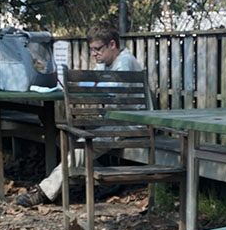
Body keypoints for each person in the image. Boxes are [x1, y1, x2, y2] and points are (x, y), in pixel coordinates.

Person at [17, 23, 142, 207]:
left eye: (97, 49)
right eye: (91, 50)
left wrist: (79, 85)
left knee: (81, 147)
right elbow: (94, 85)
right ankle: (104, 177)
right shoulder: (107, 63)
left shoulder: (124, 63)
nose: (94, 54)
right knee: (69, 134)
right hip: (113, 121)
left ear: (112, 45)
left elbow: (105, 91)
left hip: (130, 125)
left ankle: (44, 192)